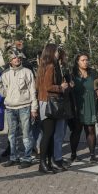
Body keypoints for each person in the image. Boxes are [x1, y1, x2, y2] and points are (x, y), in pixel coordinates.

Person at [0, 48, 38, 168]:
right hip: (10, 108)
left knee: (26, 134)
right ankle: (14, 157)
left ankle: (27, 158)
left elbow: (33, 91)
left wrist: (34, 108)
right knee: (11, 135)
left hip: (25, 107)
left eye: (18, 57)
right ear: (10, 61)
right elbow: (3, 93)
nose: (17, 59)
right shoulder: (5, 74)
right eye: (14, 58)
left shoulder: (27, 72)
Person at [36, 43, 67, 174]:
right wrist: (61, 87)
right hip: (49, 103)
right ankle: (42, 164)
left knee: (49, 134)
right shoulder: (50, 67)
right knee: (48, 135)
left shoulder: (44, 66)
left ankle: (51, 161)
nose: (58, 53)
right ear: (51, 52)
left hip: (45, 102)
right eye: (56, 51)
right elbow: (48, 86)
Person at [70, 53, 98, 164]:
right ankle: (73, 154)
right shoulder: (72, 74)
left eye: (87, 60)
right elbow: (69, 90)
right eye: (83, 60)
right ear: (77, 61)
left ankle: (92, 154)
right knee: (76, 131)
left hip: (91, 104)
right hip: (78, 106)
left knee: (91, 130)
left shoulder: (93, 72)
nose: (85, 62)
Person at [52, 47, 75, 168]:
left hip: (65, 104)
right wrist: (61, 87)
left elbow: (69, 86)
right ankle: (57, 158)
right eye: (63, 56)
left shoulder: (65, 70)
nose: (65, 59)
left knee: (61, 133)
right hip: (56, 105)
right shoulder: (53, 69)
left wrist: (70, 85)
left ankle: (58, 157)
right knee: (58, 134)